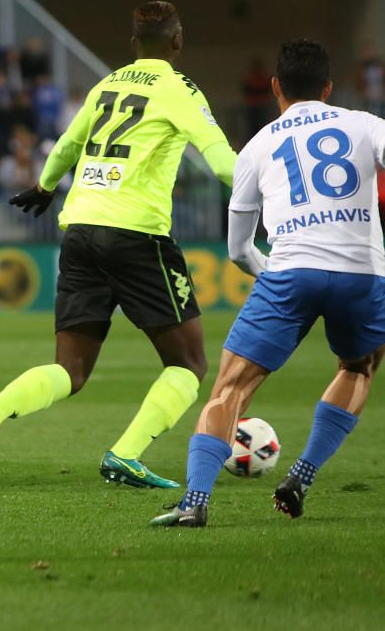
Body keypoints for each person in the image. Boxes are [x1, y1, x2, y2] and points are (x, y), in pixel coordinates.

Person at [0, 1, 238, 489]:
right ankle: (125, 455)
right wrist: (274, 195)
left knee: (70, 368)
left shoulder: (108, 84)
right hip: (136, 234)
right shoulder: (181, 89)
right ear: (177, 42)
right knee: (189, 363)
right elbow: (220, 162)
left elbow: (68, 142)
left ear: (133, 45)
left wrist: (46, 187)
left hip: (81, 229)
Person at [152, 39, 385, 527]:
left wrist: (275, 277)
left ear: (275, 86)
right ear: (328, 87)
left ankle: (195, 502)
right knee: (359, 367)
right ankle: (301, 474)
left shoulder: (257, 146)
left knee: (230, 389)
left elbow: (238, 248)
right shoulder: (365, 125)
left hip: (289, 271)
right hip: (363, 274)